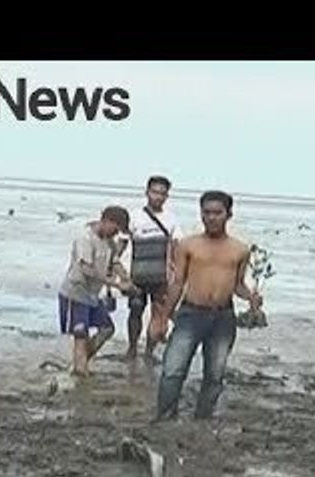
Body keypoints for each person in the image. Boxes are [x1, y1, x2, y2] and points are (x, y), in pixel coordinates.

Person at [156, 191, 262, 421]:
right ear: (201, 214)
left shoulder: (240, 249)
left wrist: (251, 298)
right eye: (207, 213)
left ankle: (202, 418)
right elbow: (177, 282)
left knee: (215, 374)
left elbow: (238, 285)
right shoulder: (187, 245)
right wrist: (162, 318)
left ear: (228, 215)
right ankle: (164, 417)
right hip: (190, 313)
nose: (212, 218)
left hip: (223, 318)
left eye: (217, 213)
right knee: (173, 370)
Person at [58, 206, 135, 377]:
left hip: (92, 295)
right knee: (81, 334)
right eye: (115, 229)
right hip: (75, 293)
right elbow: (87, 269)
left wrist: (125, 278)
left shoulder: (109, 241)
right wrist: (116, 285)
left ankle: (79, 362)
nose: (116, 234)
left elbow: (114, 262)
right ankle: (81, 370)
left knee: (107, 329)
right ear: (106, 221)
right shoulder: (85, 238)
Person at [118, 175, 184, 362]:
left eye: (162, 194)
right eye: (155, 192)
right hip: (137, 275)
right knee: (135, 312)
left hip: (161, 277)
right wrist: (115, 270)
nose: (158, 197)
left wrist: (178, 275)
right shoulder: (134, 217)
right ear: (147, 192)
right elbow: (121, 245)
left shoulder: (171, 220)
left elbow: (178, 248)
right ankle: (131, 348)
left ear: (167, 197)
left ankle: (148, 352)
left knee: (158, 314)